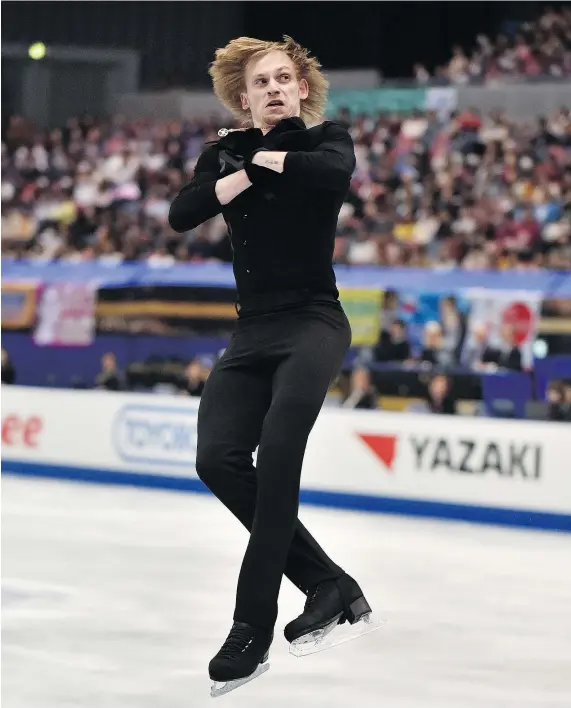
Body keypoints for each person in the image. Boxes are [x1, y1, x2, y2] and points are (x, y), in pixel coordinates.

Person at [168, 36, 374, 694]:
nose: (276, 88)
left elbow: (329, 178)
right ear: (244, 97)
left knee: (280, 455)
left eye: (285, 78)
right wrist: (248, 165)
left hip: (314, 322)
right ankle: (327, 582)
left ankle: (251, 628)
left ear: (303, 88)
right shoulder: (223, 154)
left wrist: (256, 159)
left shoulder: (326, 141)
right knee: (217, 459)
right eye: (262, 83)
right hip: (253, 331)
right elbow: (183, 212)